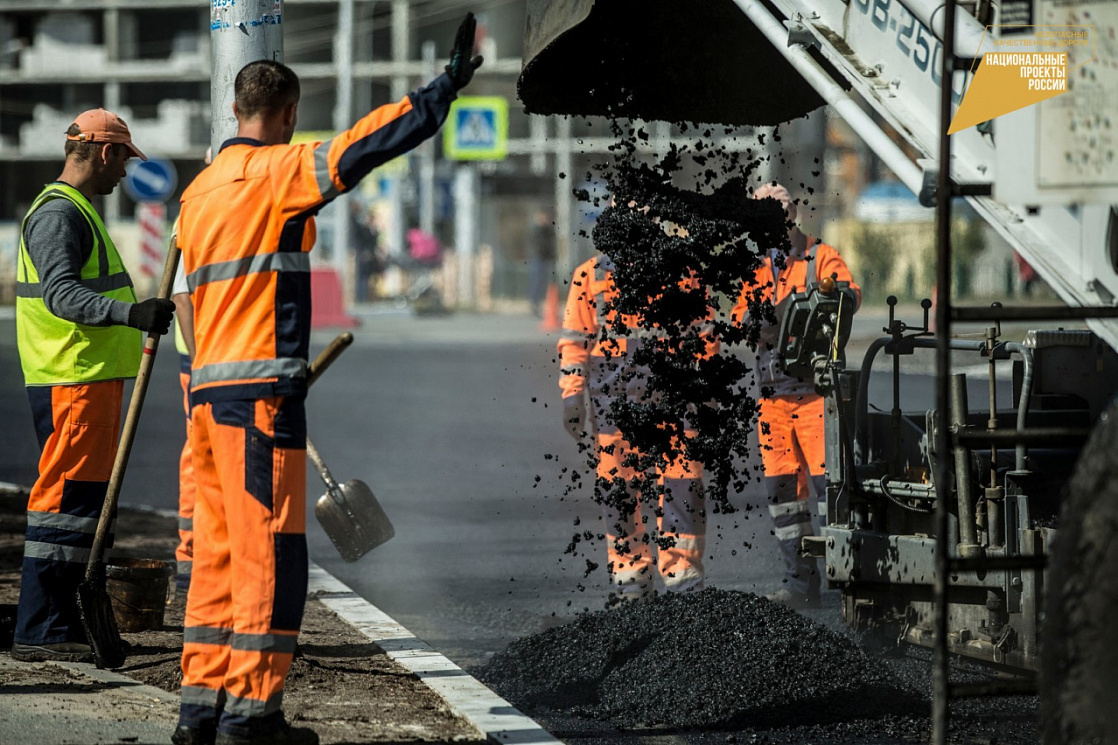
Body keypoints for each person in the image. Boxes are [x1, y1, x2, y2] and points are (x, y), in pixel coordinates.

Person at [171, 16, 482, 745]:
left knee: (215, 557)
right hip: (259, 403)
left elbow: (192, 296)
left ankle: (198, 711)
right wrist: (442, 89)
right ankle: (253, 716)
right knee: (271, 553)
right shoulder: (274, 171)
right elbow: (366, 145)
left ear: (233, 111)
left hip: (208, 401)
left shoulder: (198, 193)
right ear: (285, 114)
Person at [11, 109, 174, 663]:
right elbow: (62, 296)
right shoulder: (60, 214)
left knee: (79, 505)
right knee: (63, 503)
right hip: (71, 379)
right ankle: (43, 628)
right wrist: (132, 315)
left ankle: (60, 621)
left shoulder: (73, 211)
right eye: (124, 160)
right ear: (105, 153)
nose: (125, 173)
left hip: (83, 380)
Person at [557, 202, 711, 606]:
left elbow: (704, 332)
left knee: (681, 487)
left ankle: (682, 578)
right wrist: (572, 395)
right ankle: (629, 577)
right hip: (614, 406)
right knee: (618, 490)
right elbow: (575, 341)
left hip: (673, 402)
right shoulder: (589, 276)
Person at [731, 182, 860, 609]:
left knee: (830, 491)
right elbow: (738, 321)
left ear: (793, 213)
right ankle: (801, 584)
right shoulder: (754, 268)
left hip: (815, 395)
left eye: (780, 213)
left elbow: (849, 296)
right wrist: (759, 321)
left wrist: (814, 303)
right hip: (772, 400)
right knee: (785, 499)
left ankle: (849, 583)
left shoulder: (819, 257)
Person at [350, 201, 381, 303]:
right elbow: (360, 240)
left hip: (368, 255)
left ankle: (365, 297)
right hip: (363, 254)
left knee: (366, 277)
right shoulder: (360, 226)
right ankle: (361, 298)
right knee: (362, 277)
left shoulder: (371, 230)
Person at [527, 210, 556, 317]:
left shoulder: (547, 230)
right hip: (539, 258)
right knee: (537, 281)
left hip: (544, 258)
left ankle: (537, 303)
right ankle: (534, 303)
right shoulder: (538, 231)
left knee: (541, 281)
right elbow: (541, 245)